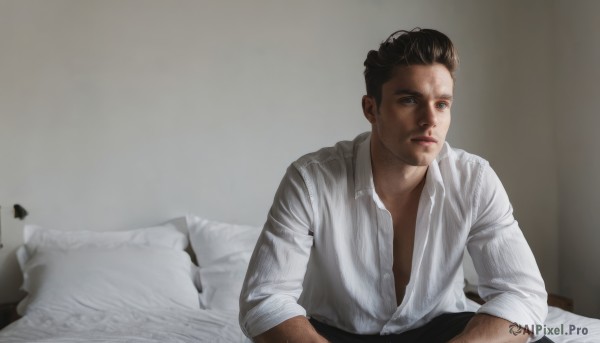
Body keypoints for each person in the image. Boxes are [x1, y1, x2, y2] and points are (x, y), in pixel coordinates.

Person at [239, 28, 550, 343]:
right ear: (371, 109)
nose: (430, 119)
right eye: (410, 100)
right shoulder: (310, 179)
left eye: (442, 104)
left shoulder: (474, 180)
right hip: (336, 335)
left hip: (442, 330)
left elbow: (523, 294)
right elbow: (264, 299)